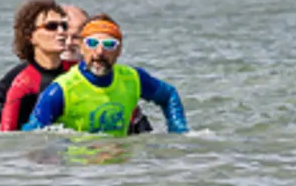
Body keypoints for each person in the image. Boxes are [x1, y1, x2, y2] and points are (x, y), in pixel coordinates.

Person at [22, 14, 189, 135]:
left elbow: (169, 95)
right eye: (92, 43)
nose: (100, 52)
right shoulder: (61, 90)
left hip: (118, 172)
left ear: (119, 50)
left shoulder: (133, 78)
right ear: (81, 47)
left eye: (109, 44)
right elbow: (31, 136)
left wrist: (179, 133)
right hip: (76, 173)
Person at [0, 0, 75, 132]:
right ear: (30, 37)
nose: (61, 32)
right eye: (51, 27)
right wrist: (10, 113)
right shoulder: (23, 76)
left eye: (64, 26)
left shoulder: (77, 70)